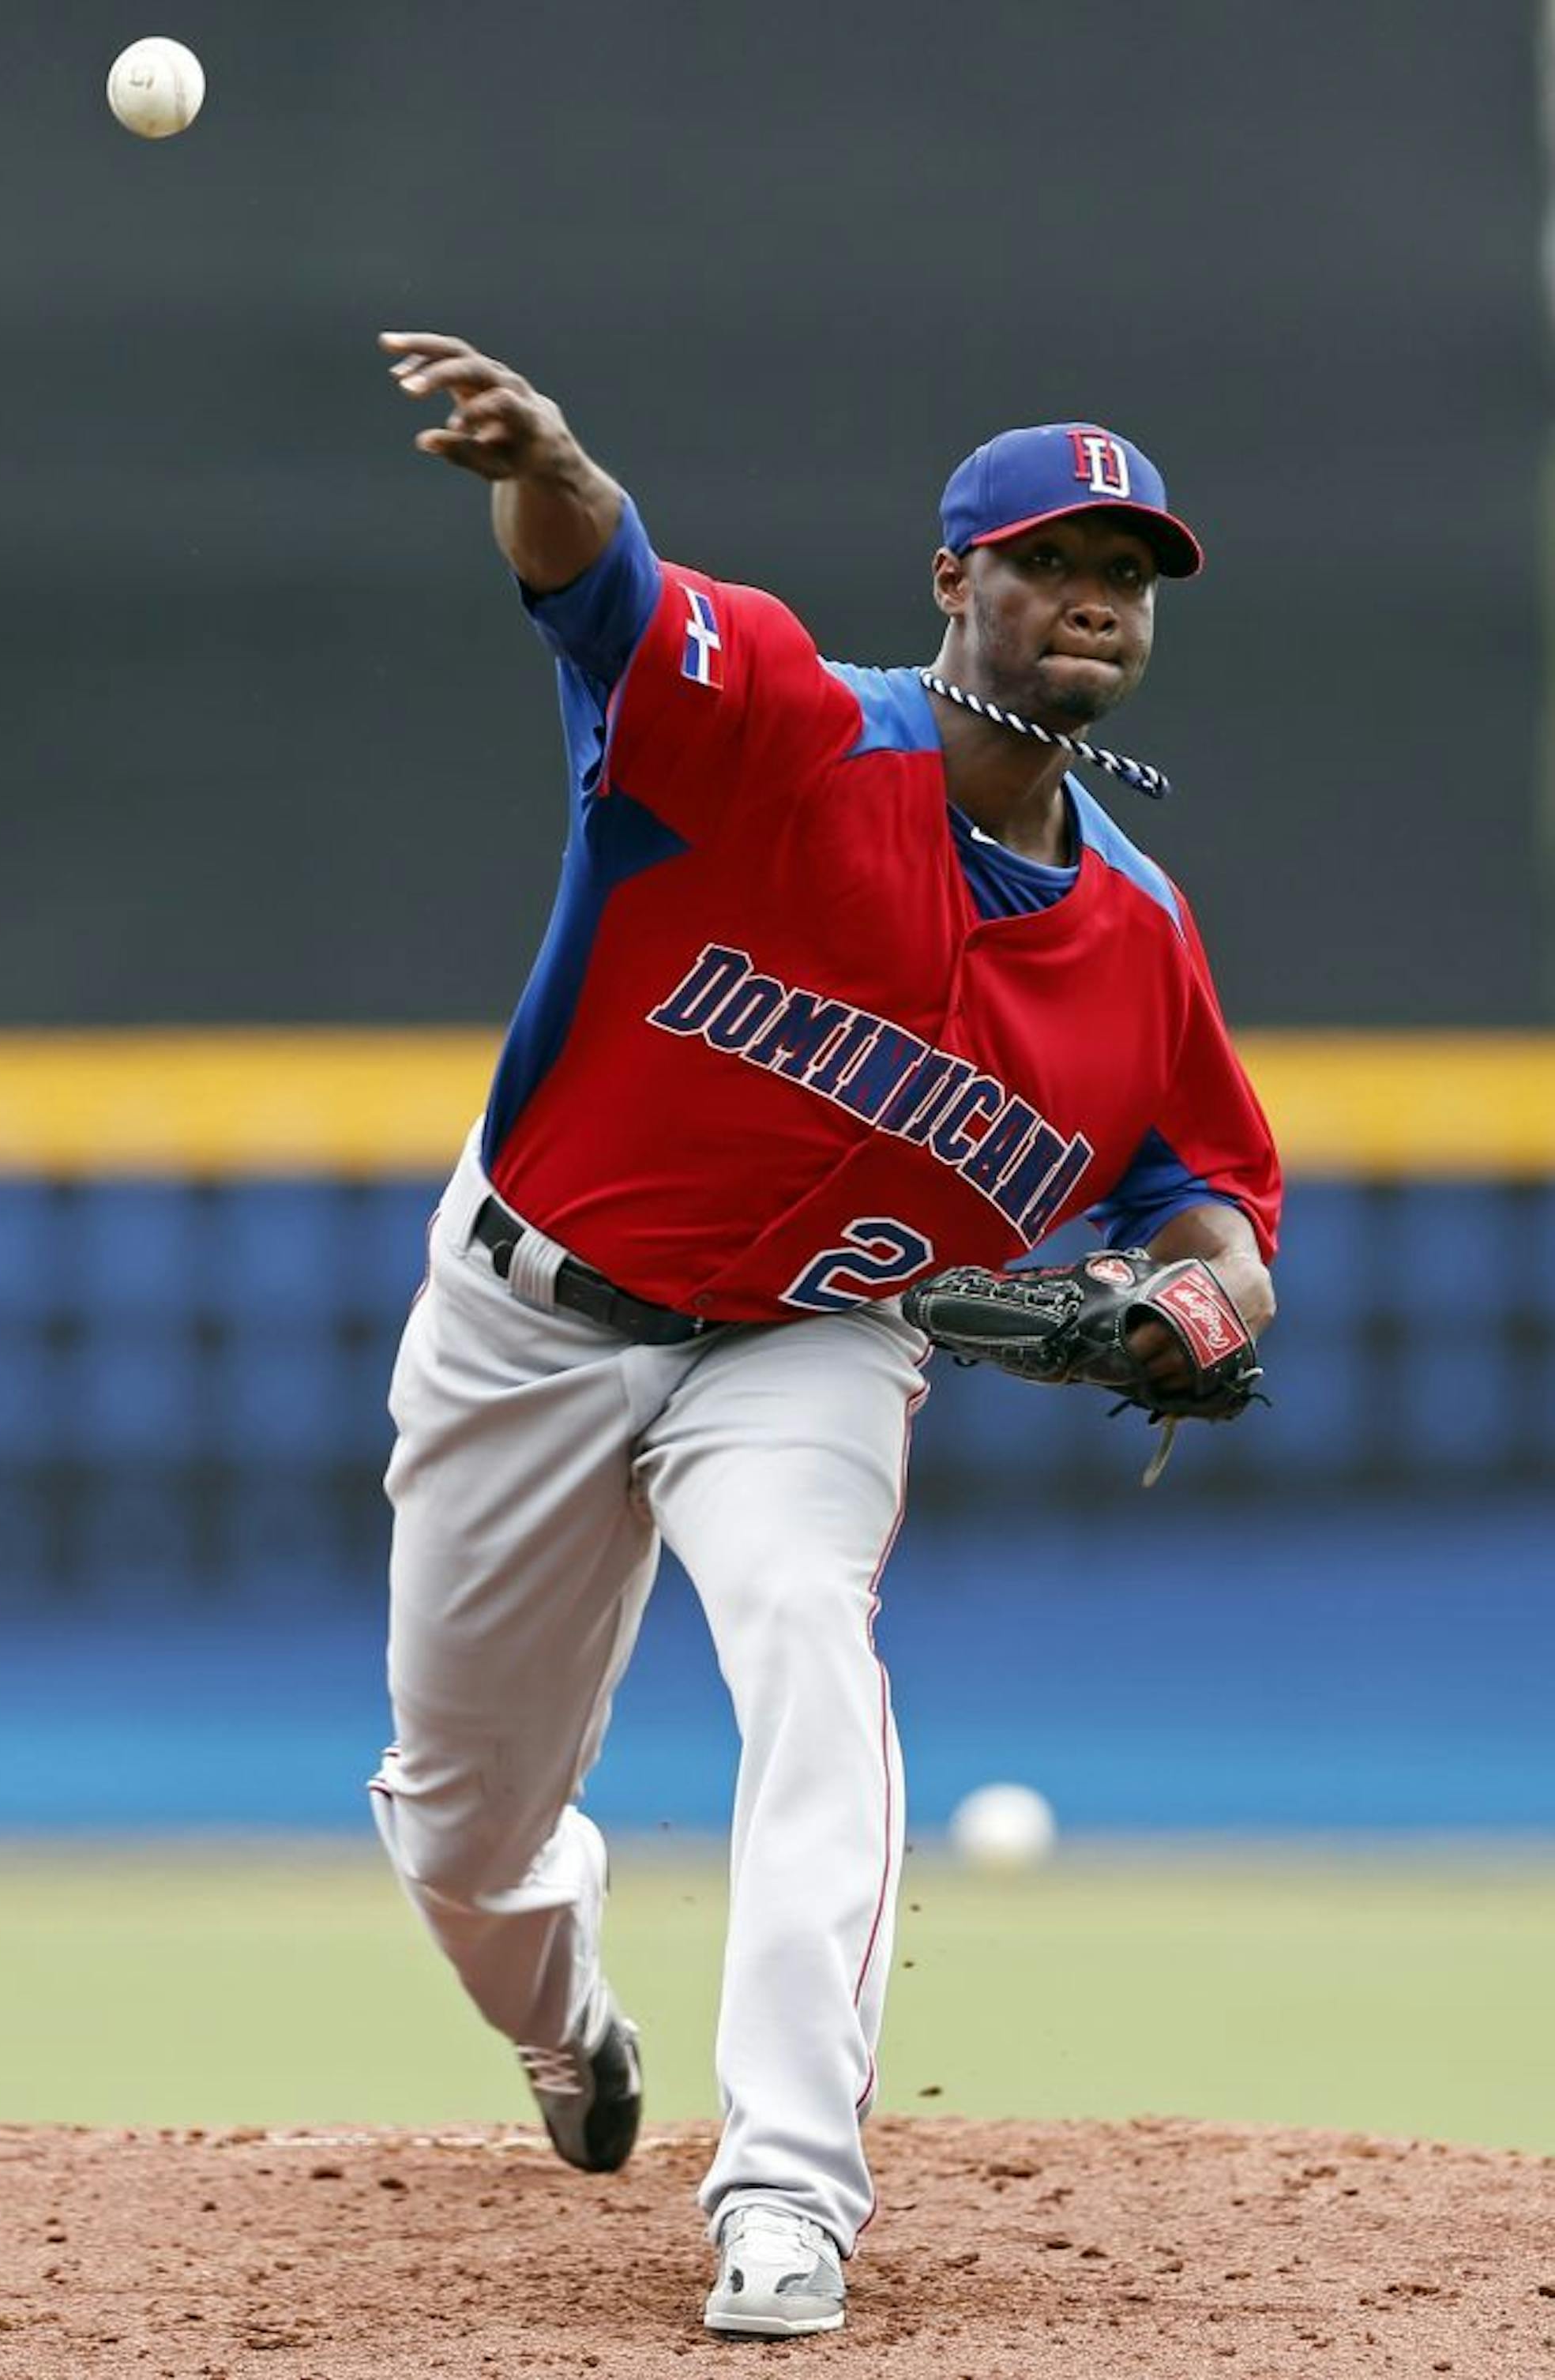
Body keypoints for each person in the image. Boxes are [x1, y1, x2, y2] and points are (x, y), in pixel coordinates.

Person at [366, 331, 1281, 2339]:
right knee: (459, 1820)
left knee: (806, 1639)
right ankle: (557, 2004)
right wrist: (554, 461)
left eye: (1132, 568)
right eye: (1056, 556)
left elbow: (1208, 1190)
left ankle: (785, 2192)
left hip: (813, 1340)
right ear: (957, 580)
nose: (1099, 595)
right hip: (534, 1304)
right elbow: (601, 587)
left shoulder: (1136, 935)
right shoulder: (780, 722)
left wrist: (1201, 1288)